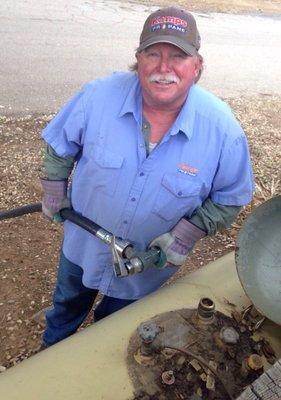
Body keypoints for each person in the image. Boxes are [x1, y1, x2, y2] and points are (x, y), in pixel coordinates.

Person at [40, 6, 254, 347]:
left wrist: (184, 235)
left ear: (197, 67)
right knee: (65, 307)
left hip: (147, 269)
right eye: (153, 53)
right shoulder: (97, 96)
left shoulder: (223, 131)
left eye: (178, 56)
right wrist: (54, 189)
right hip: (83, 247)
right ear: (138, 59)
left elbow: (231, 197)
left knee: (115, 331)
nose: (163, 68)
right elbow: (60, 146)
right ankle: (47, 356)